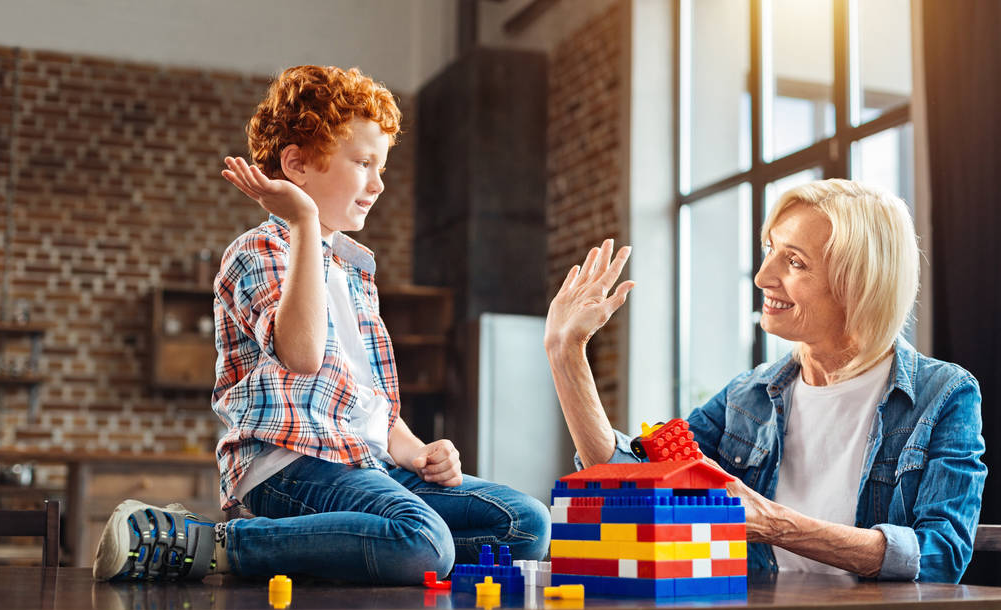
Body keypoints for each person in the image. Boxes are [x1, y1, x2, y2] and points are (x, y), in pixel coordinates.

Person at [93, 65, 549, 583]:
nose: (378, 183)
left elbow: (367, 403)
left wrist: (418, 450)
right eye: (363, 163)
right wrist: (305, 222)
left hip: (367, 465)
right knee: (422, 541)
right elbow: (303, 355)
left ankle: (350, 552)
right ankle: (211, 542)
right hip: (290, 467)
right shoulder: (258, 251)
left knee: (525, 524)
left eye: (382, 167)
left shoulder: (353, 271)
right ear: (297, 164)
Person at [544, 179, 986, 583]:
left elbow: (941, 557)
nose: (762, 277)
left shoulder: (943, 395)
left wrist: (774, 523)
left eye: (793, 261)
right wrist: (566, 355)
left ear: (858, 282)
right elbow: (630, 481)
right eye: (769, 249)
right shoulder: (748, 397)